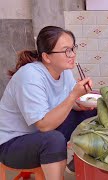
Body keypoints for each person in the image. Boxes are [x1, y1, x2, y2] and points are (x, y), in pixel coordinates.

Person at [0, 26, 97, 179]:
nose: (72, 54)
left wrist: (85, 99)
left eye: (72, 48)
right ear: (47, 57)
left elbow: (71, 105)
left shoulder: (64, 71)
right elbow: (44, 125)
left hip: (41, 133)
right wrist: (73, 96)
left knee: (95, 112)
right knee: (53, 140)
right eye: (66, 50)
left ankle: (79, 162)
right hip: (12, 144)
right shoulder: (30, 77)